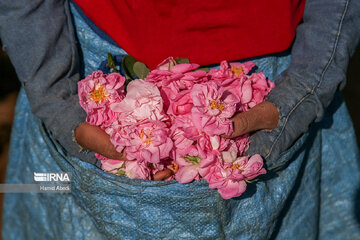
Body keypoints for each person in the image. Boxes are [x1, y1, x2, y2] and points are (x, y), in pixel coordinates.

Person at [0, 0, 359, 239]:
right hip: (87, 72)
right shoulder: (71, 95)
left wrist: (304, 91)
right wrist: (57, 102)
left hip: (270, 87)